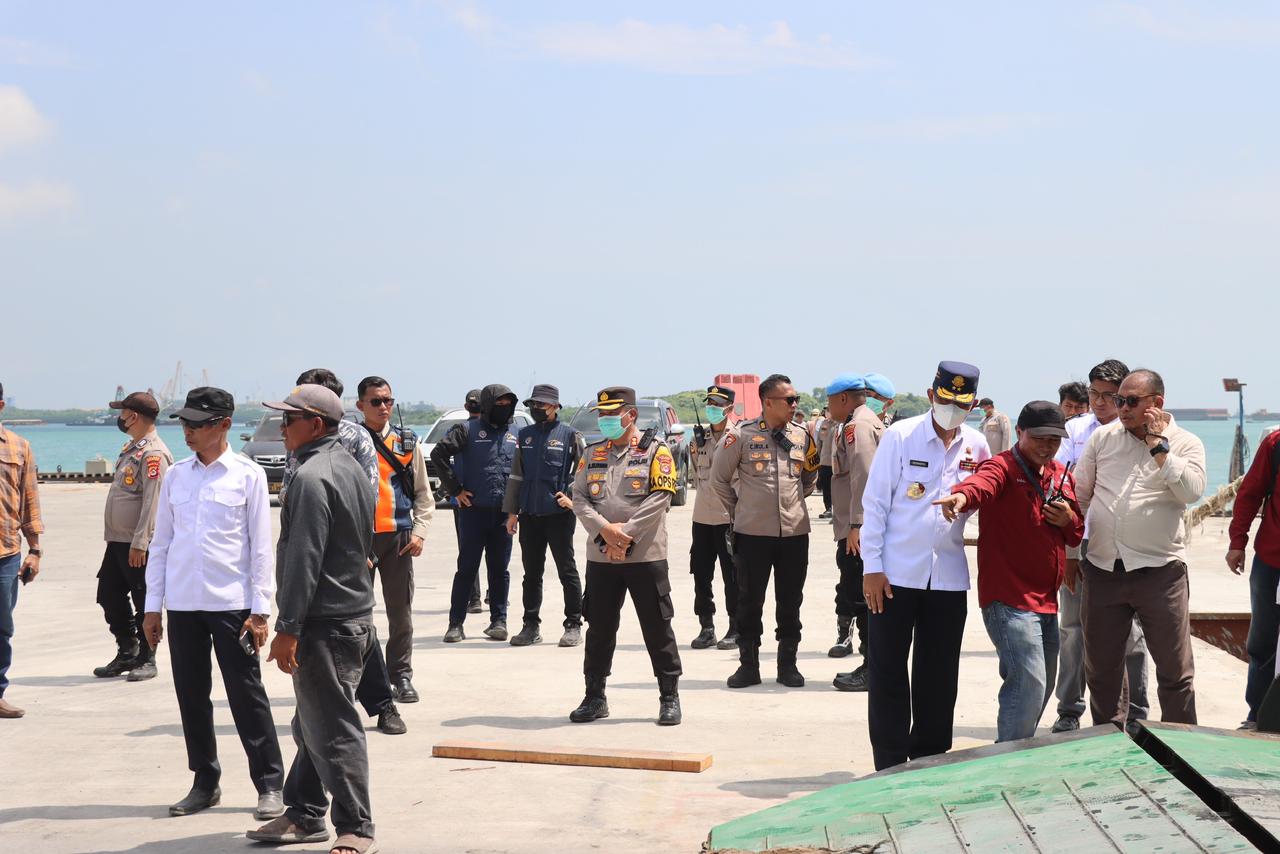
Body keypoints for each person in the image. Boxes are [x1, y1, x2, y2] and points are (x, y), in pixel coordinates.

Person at [142, 387, 284, 819]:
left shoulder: (247, 475)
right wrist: (152, 606)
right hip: (184, 604)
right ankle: (205, 781)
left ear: (224, 425)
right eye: (184, 423)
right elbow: (161, 544)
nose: (187, 431)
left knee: (246, 695)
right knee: (191, 696)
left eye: (197, 424)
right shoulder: (176, 476)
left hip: (232, 606)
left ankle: (269, 784)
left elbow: (261, 548)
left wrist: (260, 610)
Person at [248, 385, 379, 854]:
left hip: (325, 622)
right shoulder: (349, 466)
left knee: (334, 729)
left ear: (316, 424)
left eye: (290, 419)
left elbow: (305, 558)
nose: (282, 427)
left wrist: (288, 628)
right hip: (351, 615)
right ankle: (304, 812)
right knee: (311, 724)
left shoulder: (310, 477)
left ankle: (356, 826)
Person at [862, 361, 990, 770]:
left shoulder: (977, 446)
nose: (953, 410)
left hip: (948, 578)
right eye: (946, 400)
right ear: (932, 395)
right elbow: (875, 505)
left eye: (962, 404)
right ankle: (889, 765)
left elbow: (985, 498)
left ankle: (930, 762)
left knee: (939, 678)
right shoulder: (901, 436)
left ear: (972, 405)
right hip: (894, 575)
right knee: (887, 673)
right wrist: (871, 567)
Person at [935, 401, 1083, 742]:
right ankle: (1009, 758)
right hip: (1009, 598)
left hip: (1047, 600)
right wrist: (960, 497)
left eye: (1054, 440)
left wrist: (1068, 519)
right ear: (1019, 432)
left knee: (1042, 684)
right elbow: (981, 484)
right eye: (1039, 438)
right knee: (1029, 681)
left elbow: (1076, 532)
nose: (1046, 446)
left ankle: (1017, 749)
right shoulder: (1002, 466)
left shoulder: (1060, 474)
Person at [1073, 369, 1206, 728]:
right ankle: (1110, 743)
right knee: (1101, 671)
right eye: (1119, 400)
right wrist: (1072, 554)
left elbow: (1192, 492)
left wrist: (1159, 447)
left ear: (1156, 403)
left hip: (1160, 572)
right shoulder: (1103, 438)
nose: (1122, 408)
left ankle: (1180, 747)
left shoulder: (1186, 443)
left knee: (1175, 673)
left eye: (1131, 401)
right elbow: (1080, 496)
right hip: (1103, 569)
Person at [283, 369, 405, 736]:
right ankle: (311, 713)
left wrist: (361, 548)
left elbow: (367, 495)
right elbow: (289, 486)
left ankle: (383, 704)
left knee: (356, 632)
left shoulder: (354, 437)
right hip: (308, 540)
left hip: (345, 553)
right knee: (317, 642)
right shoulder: (297, 435)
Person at [568, 387, 683, 726]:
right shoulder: (592, 453)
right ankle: (594, 696)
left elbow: (661, 496)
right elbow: (579, 498)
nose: (605, 420)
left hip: (645, 555)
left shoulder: (655, 450)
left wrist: (625, 534)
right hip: (602, 555)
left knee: (657, 627)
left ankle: (669, 697)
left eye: (611, 414)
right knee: (599, 629)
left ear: (631, 415)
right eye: (601, 415)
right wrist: (606, 531)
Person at [1051, 359, 1150, 734]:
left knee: (1132, 634)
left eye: (1110, 395)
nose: (1100, 402)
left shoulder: (1142, 434)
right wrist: (1068, 552)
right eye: (1094, 393)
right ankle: (1069, 708)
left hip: (1129, 547)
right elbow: (1061, 485)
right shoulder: (1074, 431)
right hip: (1081, 541)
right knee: (1073, 629)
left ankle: (1137, 712)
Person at [711, 374, 820, 689]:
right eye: (789, 400)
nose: (794, 404)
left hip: (794, 533)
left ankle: (788, 666)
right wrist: (741, 509)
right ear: (768, 402)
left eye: (796, 399)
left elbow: (809, 478)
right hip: (752, 534)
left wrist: (792, 503)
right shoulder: (741, 435)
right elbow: (719, 479)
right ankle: (749, 666)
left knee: (790, 601)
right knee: (749, 601)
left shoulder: (802, 435)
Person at [355, 376, 434, 704]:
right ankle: (360, 678)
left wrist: (419, 532)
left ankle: (401, 675)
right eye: (375, 401)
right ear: (360, 405)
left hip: (399, 538)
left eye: (388, 400)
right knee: (357, 616)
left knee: (400, 614)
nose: (383, 407)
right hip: (360, 540)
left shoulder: (406, 441)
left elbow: (423, 493)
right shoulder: (350, 441)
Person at [92, 392, 173, 682]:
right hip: (118, 540)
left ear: (133, 416)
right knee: (108, 594)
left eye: (123, 412)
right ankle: (127, 650)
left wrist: (141, 542)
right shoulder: (133, 449)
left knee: (144, 600)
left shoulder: (153, 454)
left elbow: (154, 502)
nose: (120, 418)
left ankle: (147, 658)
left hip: (138, 544)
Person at [432, 384, 518, 643]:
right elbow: (438, 454)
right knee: (467, 568)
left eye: (508, 404)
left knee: (499, 569)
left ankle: (499, 621)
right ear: (488, 405)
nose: (504, 408)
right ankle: (455, 624)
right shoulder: (466, 430)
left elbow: (522, 471)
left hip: (503, 514)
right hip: (473, 512)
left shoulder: (516, 432)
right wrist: (455, 490)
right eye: (499, 404)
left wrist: (517, 508)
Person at [502, 384, 584, 648]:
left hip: (559, 516)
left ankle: (573, 624)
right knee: (531, 573)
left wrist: (572, 499)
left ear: (555, 406)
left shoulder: (570, 435)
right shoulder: (524, 435)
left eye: (541, 404)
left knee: (566, 571)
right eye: (533, 404)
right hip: (530, 515)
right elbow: (516, 476)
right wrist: (512, 512)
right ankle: (530, 626)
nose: (536, 408)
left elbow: (584, 473)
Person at [830, 371, 895, 693]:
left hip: (860, 529)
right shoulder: (864, 422)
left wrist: (857, 524)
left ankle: (872, 668)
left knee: (866, 597)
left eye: (830, 401)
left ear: (843, 398)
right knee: (864, 596)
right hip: (862, 525)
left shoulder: (858, 425)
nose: (828, 408)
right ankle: (872, 665)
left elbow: (864, 476)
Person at [1227, 424, 1280, 730]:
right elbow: (1250, 493)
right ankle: (1257, 715)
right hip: (1272, 561)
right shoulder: (1275, 444)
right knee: (1262, 642)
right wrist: (1237, 542)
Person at [0, 383, 42, 720]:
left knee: (2, 629)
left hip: (6, 554)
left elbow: (29, 500)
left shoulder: (19, 446)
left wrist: (35, 550)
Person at [687, 384, 739, 650]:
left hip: (729, 519)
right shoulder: (698, 439)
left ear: (729, 408)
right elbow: (696, 475)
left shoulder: (738, 436)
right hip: (702, 518)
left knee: (732, 576)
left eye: (717, 405)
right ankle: (706, 627)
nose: (712, 409)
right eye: (709, 404)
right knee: (701, 574)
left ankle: (735, 627)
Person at [460, 388, 486, 614]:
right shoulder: (496, 429)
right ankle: (491, 595)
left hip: (466, 500)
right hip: (482, 500)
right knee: (496, 554)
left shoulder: (460, 430)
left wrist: (455, 490)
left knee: (469, 553)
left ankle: (474, 598)